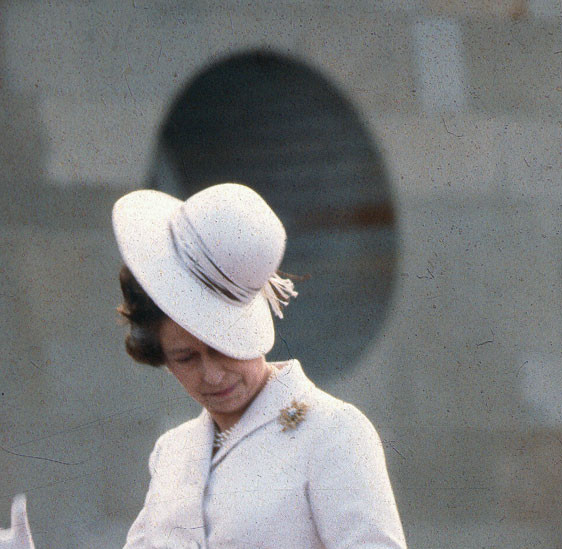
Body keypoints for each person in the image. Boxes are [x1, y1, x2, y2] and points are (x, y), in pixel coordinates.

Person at [1, 183, 407, 548]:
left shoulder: (333, 433)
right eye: (185, 358)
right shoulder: (173, 453)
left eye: (225, 349)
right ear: (160, 356)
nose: (212, 376)